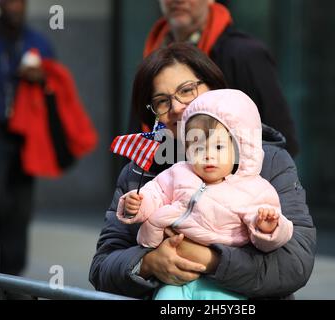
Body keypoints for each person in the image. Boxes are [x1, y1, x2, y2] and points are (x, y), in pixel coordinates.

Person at [89, 43, 316, 299]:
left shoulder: (270, 161)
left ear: (215, 89)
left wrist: (209, 259)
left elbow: (295, 264)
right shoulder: (141, 172)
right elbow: (102, 268)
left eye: (186, 90)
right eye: (161, 101)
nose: (176, 107)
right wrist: (148, 263)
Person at [117, 89, 294, 300]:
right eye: (198, 148)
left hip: (222, 281)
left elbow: (270, 240)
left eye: (218, 147)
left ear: (239, 149)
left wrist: (267, 228)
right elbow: (155, 193)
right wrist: (137, 204)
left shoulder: (253, 189)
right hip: (174, 277)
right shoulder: (179, 172)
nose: (208, 155)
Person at [141, 0, 299, 157]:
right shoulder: (149, 56)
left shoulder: (244, 56)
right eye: (161, 100)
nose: (178, 0)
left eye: (187, 90)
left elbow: (280, 142)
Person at [0, 0, 54, 276]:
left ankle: (10, 280)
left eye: (20, 2)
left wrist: (40, 78)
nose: (15, 7)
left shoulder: (36, 42)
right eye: (10, 1)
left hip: (26, 136)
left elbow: (55, 85)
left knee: (20, 207)